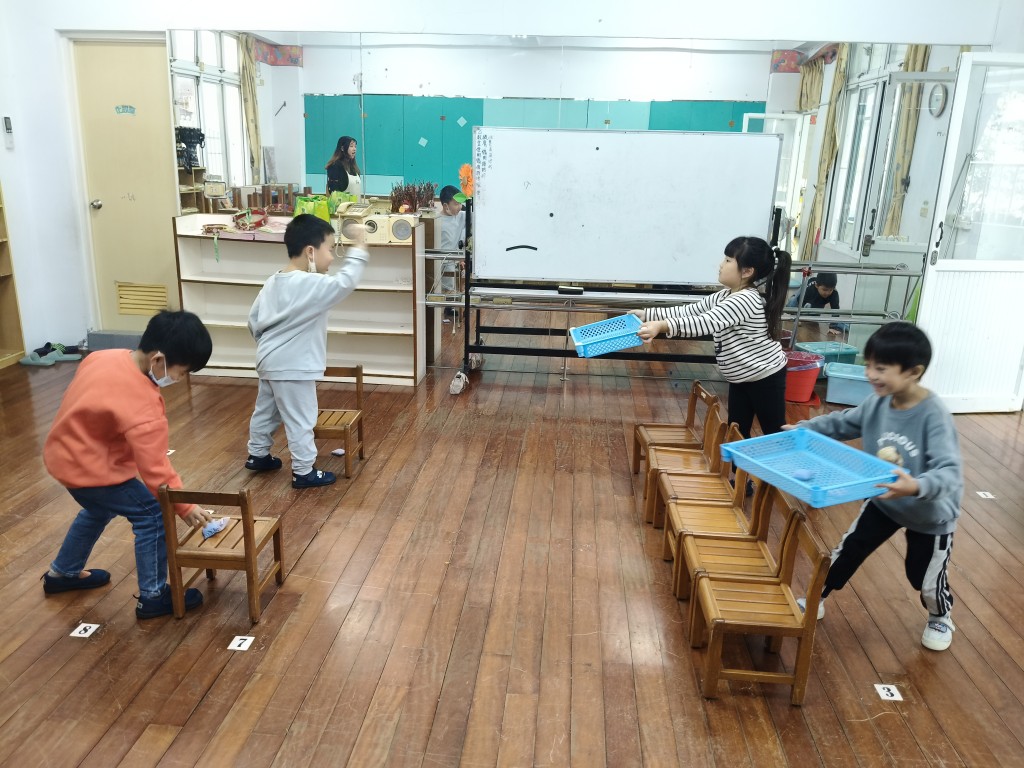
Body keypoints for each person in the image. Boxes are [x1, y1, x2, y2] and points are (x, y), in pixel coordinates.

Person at [789, 322, 962, 651]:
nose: (870, 374)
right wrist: (805, 428)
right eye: (868, 365)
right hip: (883, 500)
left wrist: (916, 486)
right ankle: (816, 597)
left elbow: (951, 473)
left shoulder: (934, 415)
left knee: (922, 577)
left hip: (929, 513)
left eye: (880, 368)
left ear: (914, 372)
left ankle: (940, 614)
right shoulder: (877, 403)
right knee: (847, 552)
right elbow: (842, 423)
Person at [42, 310, 216, 619]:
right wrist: (185, 506)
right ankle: (153, 596)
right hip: (91, 470)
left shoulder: (102, 357)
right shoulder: (143, 405)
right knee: (152, 514)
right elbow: (155, 469)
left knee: (98, 508)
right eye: (182, 371)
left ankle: (62, 573)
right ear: (158, 360)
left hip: (63, 455)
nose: (180, 379)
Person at [245, 214, 369, 488]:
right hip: (294, 366)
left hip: (268, 361)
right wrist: (359, 247)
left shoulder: (273, 280)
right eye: (330, 249)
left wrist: (269, 348)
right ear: (310, 251)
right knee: (301, 418)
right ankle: (303, 471)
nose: (332, 257)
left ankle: (258, 454)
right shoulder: (309, 283)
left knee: (266, 411)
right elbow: (345, 282)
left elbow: (253, 321)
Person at [636, 236, 792, 440]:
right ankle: (738, 462)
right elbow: (690, 311)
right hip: (741, 377)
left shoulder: (745, 300)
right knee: (736, 433)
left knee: (775, 434)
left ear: (747, 271)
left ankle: (786, 461)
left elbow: (704, 322)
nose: (720, 265)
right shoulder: (726, 295)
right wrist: (648, 315)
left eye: (728, 260)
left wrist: (662, 326)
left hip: (765, 377)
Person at [436, 185, 467, 319]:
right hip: (441, 258)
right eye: (456, 204)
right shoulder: (437, 220)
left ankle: (450, 306)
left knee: (453, 284)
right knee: (446, 285)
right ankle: (448, 306)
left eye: (460, 203)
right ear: (445, 206)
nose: (460, 206)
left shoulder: (461, 216)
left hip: (455, 257)